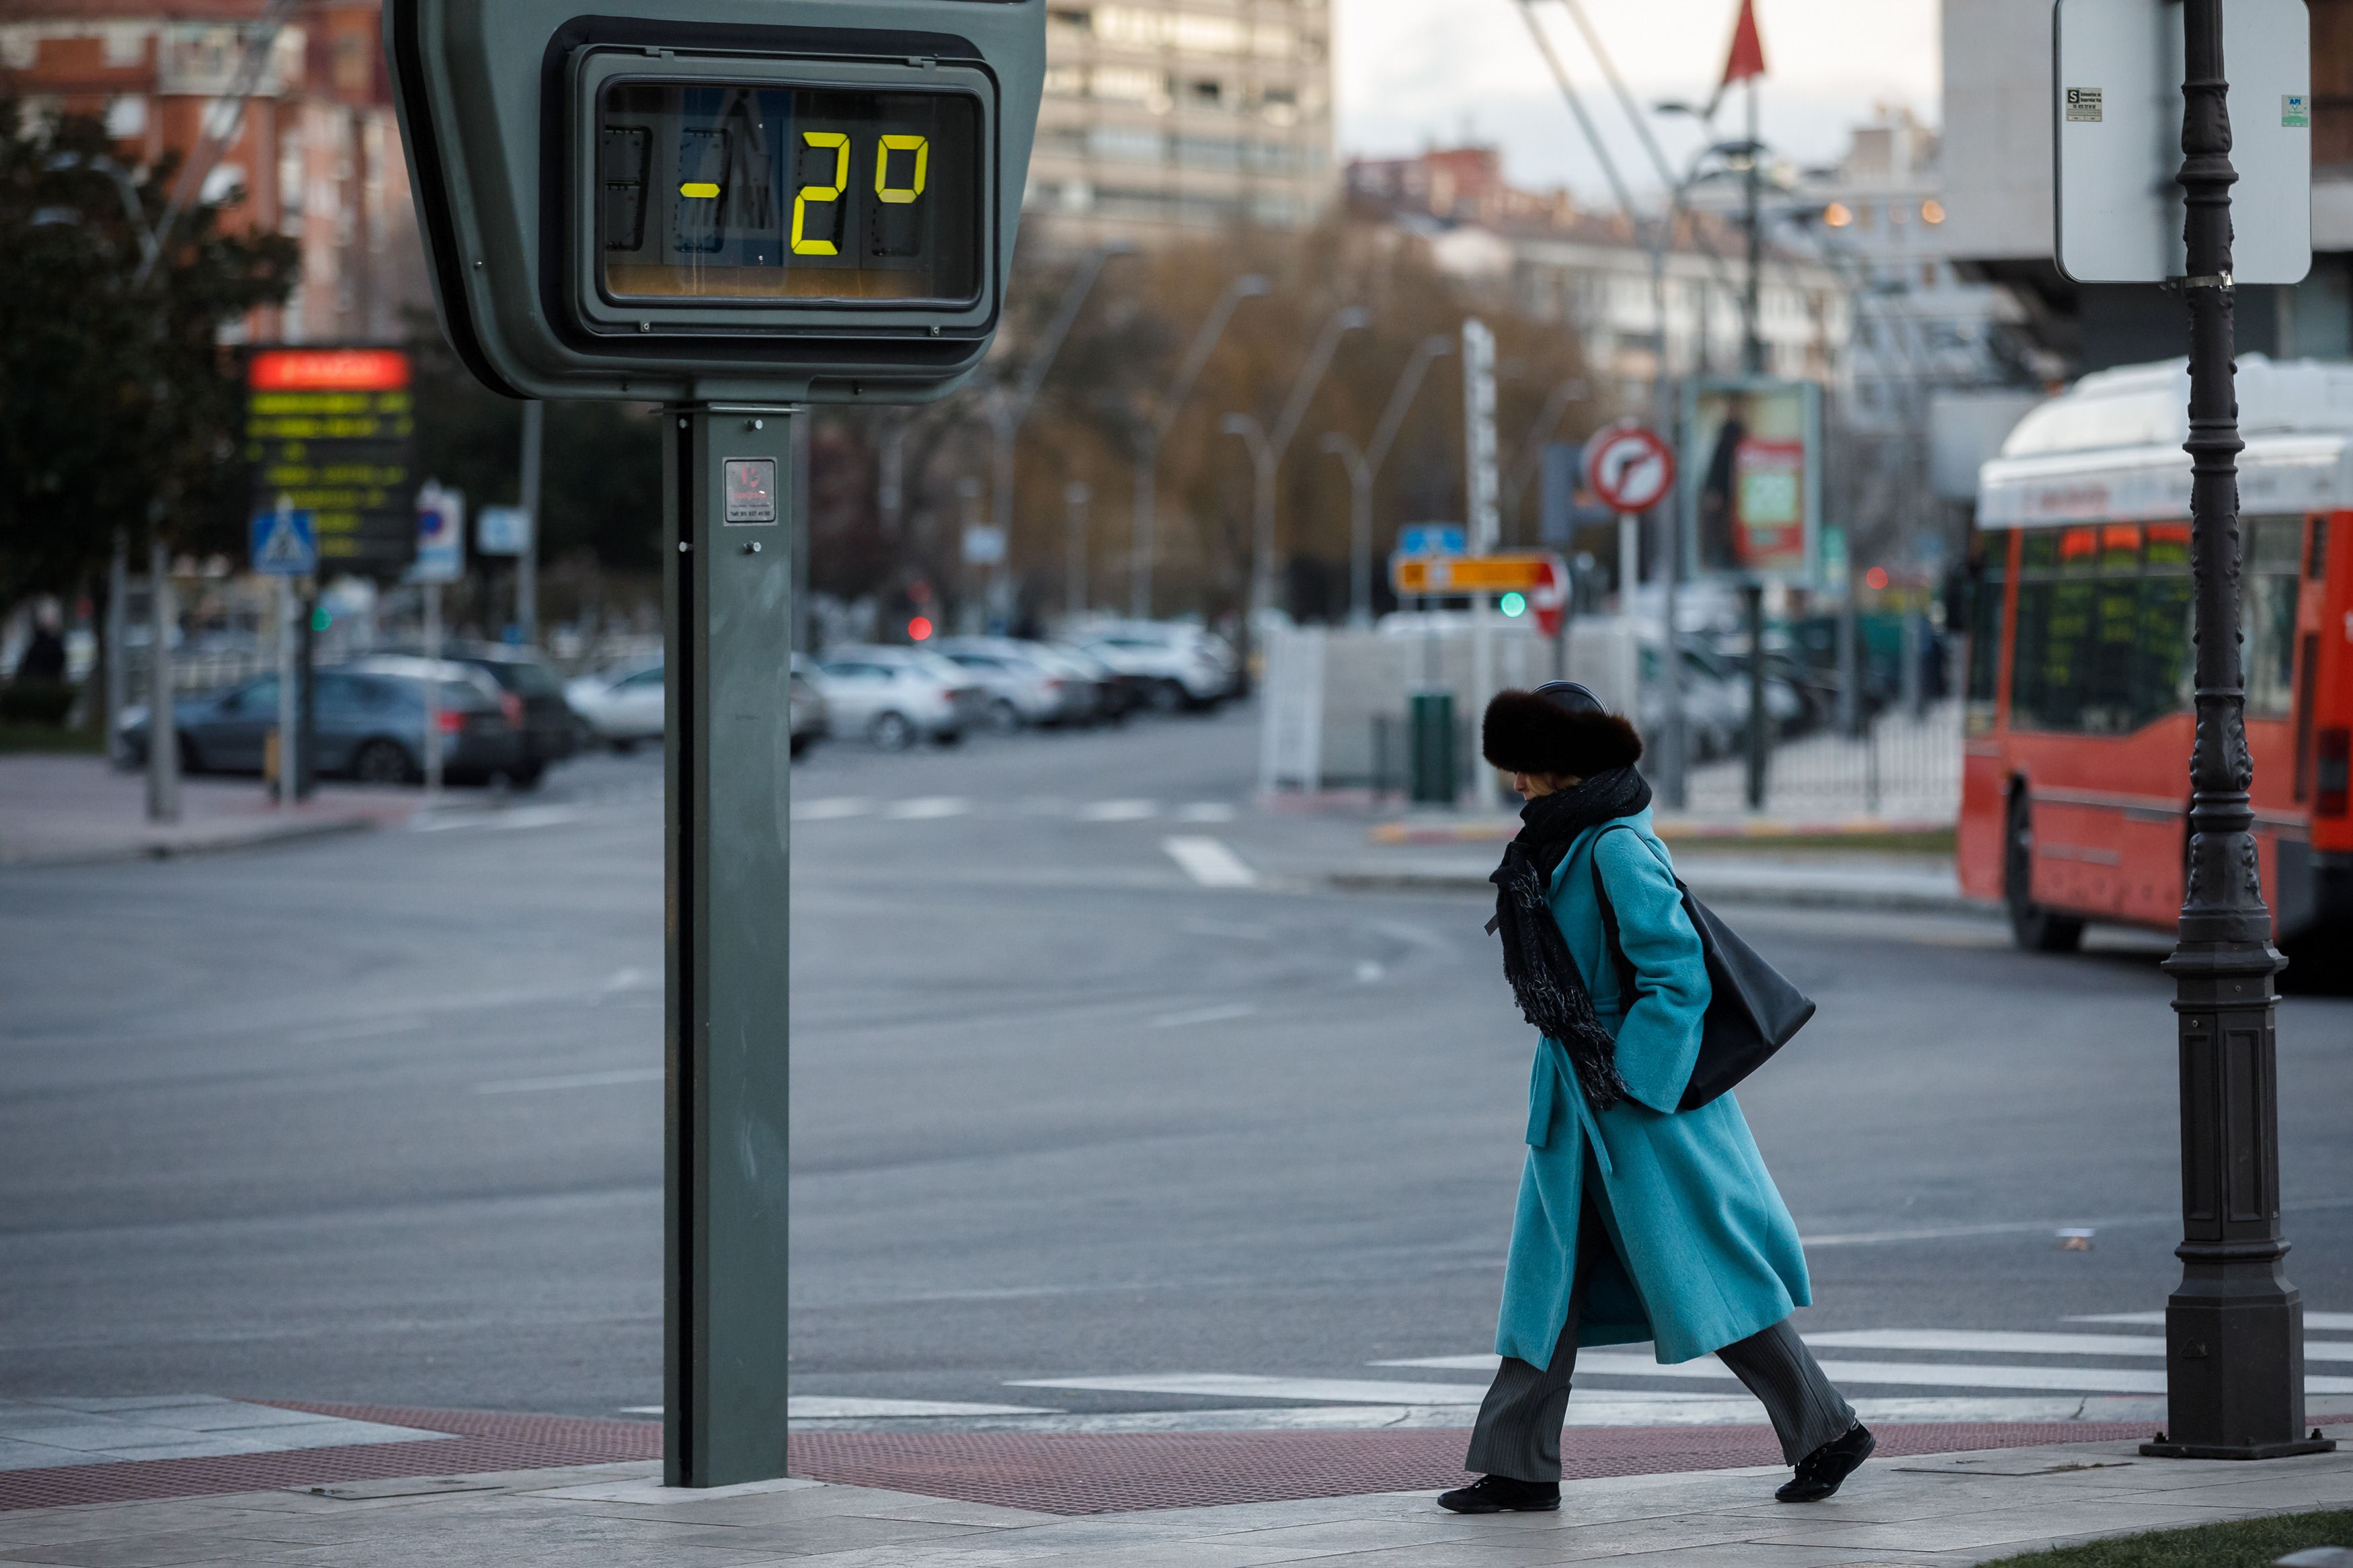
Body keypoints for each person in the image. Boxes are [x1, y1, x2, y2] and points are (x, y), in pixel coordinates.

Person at [1437, 682, 1872, 1516]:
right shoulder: (1558, 844)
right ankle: (1519, 1465)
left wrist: (1635, 1081)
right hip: (1578, 1105)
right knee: (1545, 1285)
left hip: (1634, 1105)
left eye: (1525, 766)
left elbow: (1675, 976)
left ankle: (1828, 1429)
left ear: (1562, 767)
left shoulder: (1612, 848)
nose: (1515, 782)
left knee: (1703, 1271)